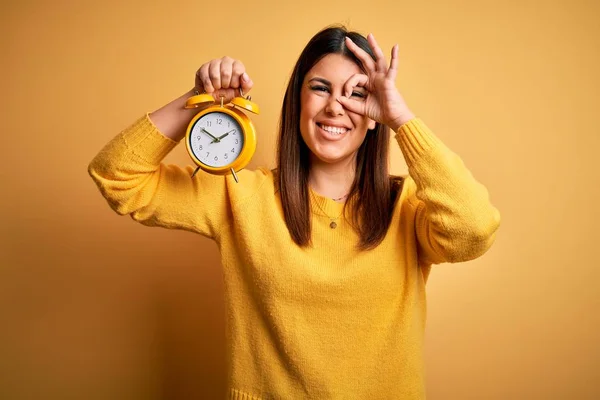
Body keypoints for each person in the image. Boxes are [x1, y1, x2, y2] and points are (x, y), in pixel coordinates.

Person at [89, 25, 501, 399]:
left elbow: (474, 230)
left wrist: (402, 120)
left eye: (356, 94)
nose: (336, 107)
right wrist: (199, 101)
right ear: (297, 101)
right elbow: (117, 176)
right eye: (320, 88)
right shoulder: (241, 196)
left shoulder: (407, 206)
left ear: (375, 114)